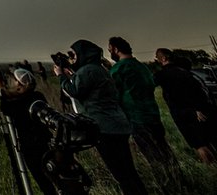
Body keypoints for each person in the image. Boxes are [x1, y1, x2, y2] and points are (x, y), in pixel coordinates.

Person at [54, 39, 148, 194]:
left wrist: (60, 76)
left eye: (74, 53)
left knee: (121, 174)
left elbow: (74, 91)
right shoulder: (99, 69)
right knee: (129, 171)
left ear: (83, 53)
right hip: (118, 125)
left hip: (104, 128)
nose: (72, 57)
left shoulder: (88, 70)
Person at [107, 37, 180, 189]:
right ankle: (178, 179)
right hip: (152, 113)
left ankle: (166, 185)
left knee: (151, 153)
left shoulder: (118, 69)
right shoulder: (142, 67)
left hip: (136, 116)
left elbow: (112, 92)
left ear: (115, 49)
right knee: (163, 148)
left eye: (109, 49)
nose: (109, 52)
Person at [154, 48, 217, 167]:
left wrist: (193, 111)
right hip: (211, 112)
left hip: (192, 115)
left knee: (200, 144)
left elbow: (185, 95)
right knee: (216, 143)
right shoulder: (191, 75)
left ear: (163, 58)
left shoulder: (167, 74)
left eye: (158, 58)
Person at [0, 68, 58, 194]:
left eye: (14, 81)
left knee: (43, 182)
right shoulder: (38, 96)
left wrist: (2, 89)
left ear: (20, 86)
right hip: (47, 142)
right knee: (57, 177)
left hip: (30, 147)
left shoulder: (17, 103)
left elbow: (6, 108)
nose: (12, 83)